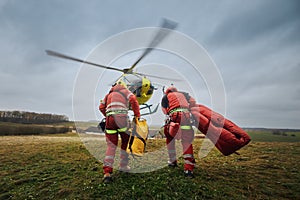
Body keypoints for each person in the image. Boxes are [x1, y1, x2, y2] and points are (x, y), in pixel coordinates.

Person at [99, 81, 140, 183]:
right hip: (122, 119)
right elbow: (133, 99)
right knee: (125, 143)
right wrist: (137, 116)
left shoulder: (108, 94)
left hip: (110, 120)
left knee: (111, 146)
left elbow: (101, 107)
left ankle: (107, 173)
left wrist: (108, 115)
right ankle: (123, 165)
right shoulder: (125, 91)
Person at [161, 86, 196, 178]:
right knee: (187, 141)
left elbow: (165, 111)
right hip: (186, 116)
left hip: (175, 116)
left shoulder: (166, 97)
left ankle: (172, 161)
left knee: (169, 137)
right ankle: (189, 169)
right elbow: (193, 102)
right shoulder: (184, 94)